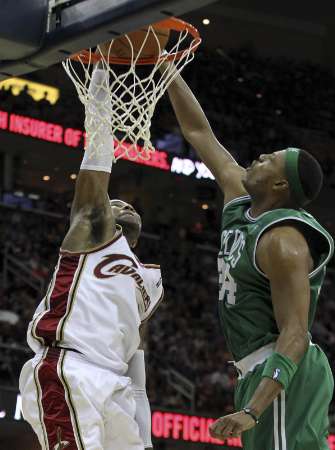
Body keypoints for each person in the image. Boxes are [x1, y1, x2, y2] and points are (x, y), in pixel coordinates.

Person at [163, 63, 334, 450]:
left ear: (279, 184)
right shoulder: (241, 200)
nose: (258, 155)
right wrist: (166, 67)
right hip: (256, 372)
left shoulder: (284, 241)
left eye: (270, 158)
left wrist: (254, 410)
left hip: (284, 371)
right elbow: (198, 133)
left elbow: (296, 334)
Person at [19, 61, 164, 450]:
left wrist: (144, 437)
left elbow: (137, 368)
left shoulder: (150, 282)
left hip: (114, 385)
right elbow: (97, 157)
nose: (123, 205)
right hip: (69, 370)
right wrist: (100, 77)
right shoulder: (92, 233)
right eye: (114, 203)